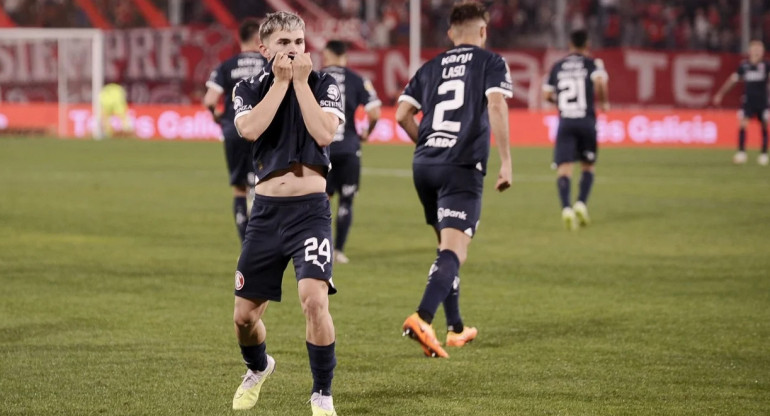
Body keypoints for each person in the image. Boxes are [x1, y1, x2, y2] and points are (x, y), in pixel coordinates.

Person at [229, 11, 344, 416]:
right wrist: (281, 83)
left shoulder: (324, 83)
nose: (293, 50)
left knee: (314, 299)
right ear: (264, 49)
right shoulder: (247, 86)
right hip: (266, 213)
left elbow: (325, 133)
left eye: (298, 42)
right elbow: (250, 130)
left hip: (311, 211)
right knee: (244, 318)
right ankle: (259, 367)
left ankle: (322, 393)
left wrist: (299, 85)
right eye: (283, 44)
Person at [395, 1, 513, 359]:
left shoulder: (430, 67)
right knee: (454, 250)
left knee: (445, 248)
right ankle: (422, 317)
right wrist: (506, 161)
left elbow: (402, 115)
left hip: (425, 164)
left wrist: (430, 146)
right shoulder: (491, 62)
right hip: (461, 165)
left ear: (450, 33)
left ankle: (456, 328)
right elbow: (496, 105)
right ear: (483, 31)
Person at [203, 18, 268, 243]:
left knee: (239, 189)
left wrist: (218, 116)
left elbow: (210, 99)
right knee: (267, 185)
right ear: (259, 39)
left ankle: (246, 244)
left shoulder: (226, 65)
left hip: (235, 129)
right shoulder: (268, 63)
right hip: (264, 131)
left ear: (239, 39)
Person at [321, 40, 382, 264]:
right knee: (346, 201)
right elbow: (375, 113)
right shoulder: (358, 79)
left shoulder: (315, 78)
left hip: (322, 148)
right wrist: (367, 132)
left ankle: (321, 250)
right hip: (348, 148)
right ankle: (339, 251)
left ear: (326, 55)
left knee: (322, 201)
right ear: (345, 56)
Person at [542, 29, 609, 231]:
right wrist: (604, 102)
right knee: (588, 165)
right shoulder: (593, 64)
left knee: (564, 168)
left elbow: (546, 94)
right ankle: (581, 203)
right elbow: (599, 82)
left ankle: (566, 209)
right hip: (586, 120)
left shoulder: (558, 66)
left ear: (570, 44)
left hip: (566, 122)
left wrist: (560, 101)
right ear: (587, 44)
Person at [713, 40, 770, 166]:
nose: (756, 52)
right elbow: (732, 81)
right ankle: (741, 152)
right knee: (743, 124)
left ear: (762, 52)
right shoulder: (744, 66)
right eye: (754, 49)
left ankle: (764, 153)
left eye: (759, 49)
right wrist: (720, 94)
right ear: (749, 51)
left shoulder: (766, 66)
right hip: (748, 101)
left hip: (763, 101)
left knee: (764, 126)